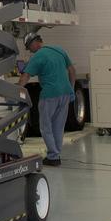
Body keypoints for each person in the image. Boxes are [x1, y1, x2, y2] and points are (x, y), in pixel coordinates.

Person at [18, 32, 75, 166]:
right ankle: (55, 155)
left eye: (29, 47)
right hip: (65, 93)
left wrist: (16, 91)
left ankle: (53, 156)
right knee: (58, 127)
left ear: (34, 43)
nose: (30, 50)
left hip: (49, 95)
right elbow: (72, 70)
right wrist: (71, 89)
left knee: (45, 126)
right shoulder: (59, 50)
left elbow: (25, 76)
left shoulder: (38, 56)